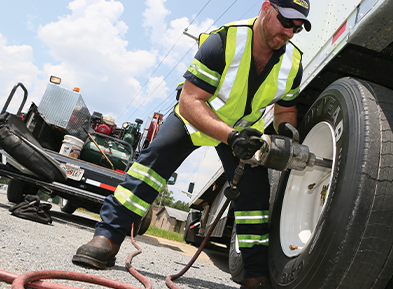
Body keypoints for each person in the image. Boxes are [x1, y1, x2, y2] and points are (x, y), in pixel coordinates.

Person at [72, 0, 311, 288]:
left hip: (244, 133)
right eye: (285, 22)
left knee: (255, 197)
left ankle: (255, 274)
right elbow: (189, 101)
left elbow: (285, 109)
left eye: (297, 28)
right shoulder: (223, 41)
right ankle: (107, 238)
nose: (289, 33)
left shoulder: (292, 63)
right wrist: (230, 136)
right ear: (265, 8)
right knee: (152, 164)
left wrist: (286, 129)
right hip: (196, 117)